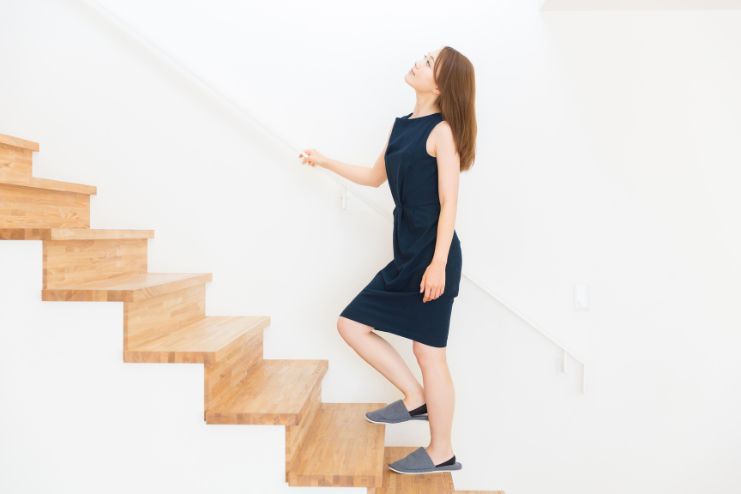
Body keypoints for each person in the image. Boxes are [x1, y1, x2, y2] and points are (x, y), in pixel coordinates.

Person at [298, 46, 476, 475]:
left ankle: (442, 451)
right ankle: (415, 399)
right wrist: (325, 162)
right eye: (425, 57)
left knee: (429, 353)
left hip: (433, 256)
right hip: (407, 254)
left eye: (429, 63)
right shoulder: (402, 126)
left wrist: (437, 264)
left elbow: (450, 202)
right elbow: (374, 176)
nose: (419, 62)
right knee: (351, 324)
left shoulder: (443, 132)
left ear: (440, 85)